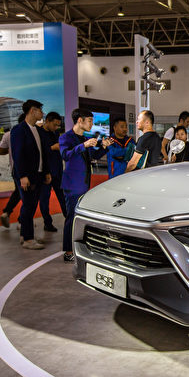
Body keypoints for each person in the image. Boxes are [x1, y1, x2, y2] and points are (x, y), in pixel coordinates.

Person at [60, 108, 113, 262]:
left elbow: (93, 156)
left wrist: (104, 146)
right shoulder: (66, 137)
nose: (92, 124)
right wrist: (83, 145)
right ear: (80, 120)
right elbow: (65, 155)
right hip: (72, 184)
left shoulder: (84, 138)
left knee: (80, 217)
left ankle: (79, 245)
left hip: (83, 183)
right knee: (71, 217)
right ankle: (68, 251)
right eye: (89, 120)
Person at [10, 99, 52, 249]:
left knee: (31, 205)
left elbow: (43, 154)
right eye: (40, 110)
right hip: (26, 175)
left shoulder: (38, 130)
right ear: (32, 111)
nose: (42, 113)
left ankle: (25, 235)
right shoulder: (19, 130)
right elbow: (18, 154)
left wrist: (46, 172)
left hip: (38, 174)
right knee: (28, 205)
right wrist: (22, 176)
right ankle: (28, 239)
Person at [39, 112, 67, 232]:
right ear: (47, 121)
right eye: (55, 125)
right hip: (46, 172)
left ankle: (69, 218)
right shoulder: (38, 133)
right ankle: (47, 223)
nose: (56, 127)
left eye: (58, 125)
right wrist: (52, 148)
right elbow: (38, 153)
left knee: (63, 196)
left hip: (58, 171)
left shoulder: (55, 133)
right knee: (44, 199)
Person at [0, 113, 25, 228]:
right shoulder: (29, 133)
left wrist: (10, 149)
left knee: (18, 192)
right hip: (28, 170)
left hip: (15, 169)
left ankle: (7, 212)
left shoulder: (8, 134)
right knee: (29, 197)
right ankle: (23, 221)